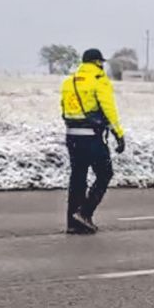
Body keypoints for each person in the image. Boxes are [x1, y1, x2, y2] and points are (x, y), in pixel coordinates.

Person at [60, 48, 126, 234]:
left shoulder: (69, 82)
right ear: (97, 63)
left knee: (77, 178)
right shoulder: (99, 80)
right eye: (101, 63)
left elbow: (64, 108)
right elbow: (108, 109)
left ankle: (72, 223)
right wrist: (118, 134)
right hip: (92, 138)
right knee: (105, 174)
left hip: (72, 136)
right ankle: (85, 213)